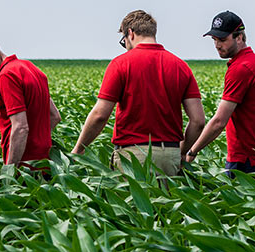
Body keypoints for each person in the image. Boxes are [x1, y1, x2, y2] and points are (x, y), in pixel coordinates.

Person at [72, 10, 206, 177]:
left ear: (130, 33)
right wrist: (182, 151)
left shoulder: (120, 64)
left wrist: (78, 149)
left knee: (134, 203)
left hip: (133, 157)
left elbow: (100, 115)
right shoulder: (181, 66)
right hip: (170, 155)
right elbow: (198, 121)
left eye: (124, 41)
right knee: (165, 203)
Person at [185, 11, 255, 178]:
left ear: (239, 37)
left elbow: (219, 121)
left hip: (245, 159)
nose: (217, 45)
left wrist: (192, 151)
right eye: (215, 40)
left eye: (222, 40)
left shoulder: (241, 68)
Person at [0, 33, 61, 179]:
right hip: (46, 166)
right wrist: (38, 142)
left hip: (25, 171)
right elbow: (55, 116)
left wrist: (9, 173)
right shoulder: (30, 68)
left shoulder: (7, 75)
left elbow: (20, 127)